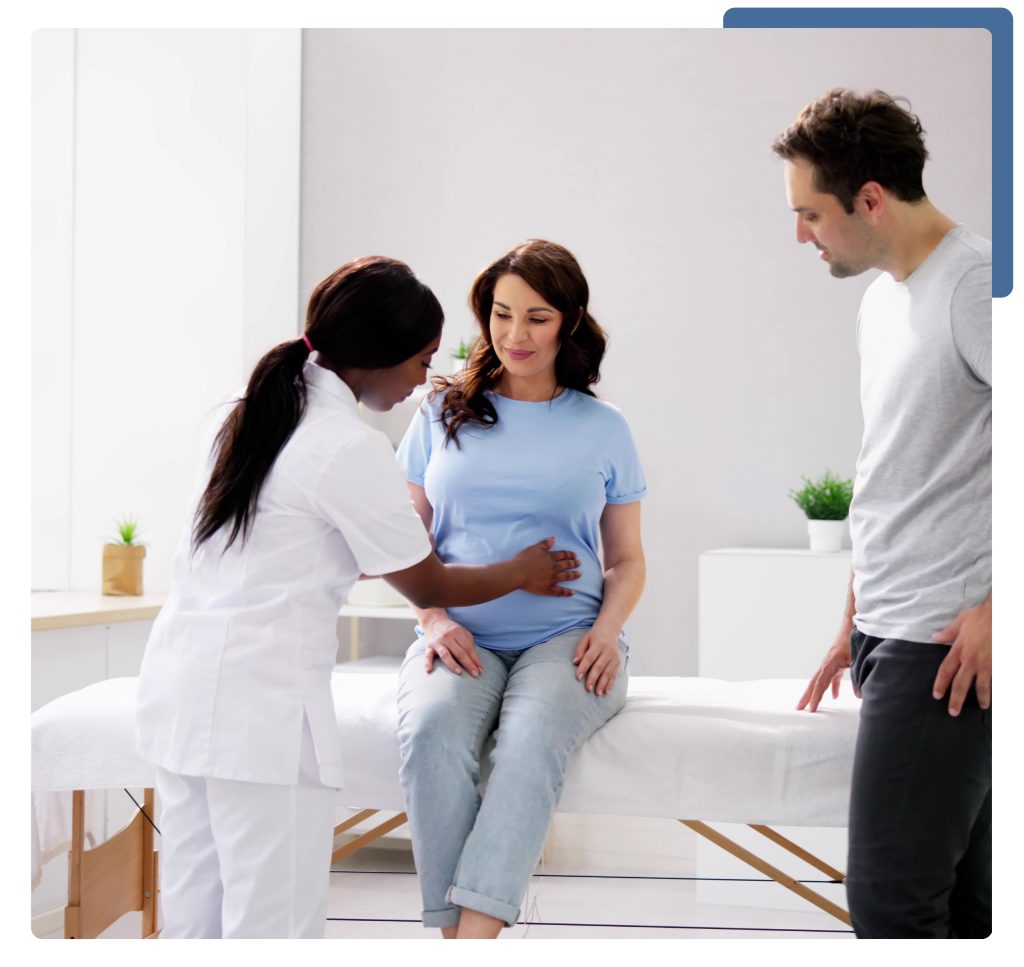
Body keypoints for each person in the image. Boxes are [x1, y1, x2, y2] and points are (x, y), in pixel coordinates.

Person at [134, 255, 583, 939]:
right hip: (260, 714)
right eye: (420, 359)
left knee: (193, 921)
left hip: (181, 693)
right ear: (377, 357)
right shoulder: (346, 447)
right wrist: (520, 571)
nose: (422, 381)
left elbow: (288, 541)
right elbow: (428, 581)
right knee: (272, 928)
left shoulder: (242, 416)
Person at [773, 89, 992, 938]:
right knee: (972, 913)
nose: (801, 235)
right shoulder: (882, 297)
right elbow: (899, 467)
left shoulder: (977, 288)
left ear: (870, 198)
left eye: (810, 213)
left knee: (893, 911)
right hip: (888, 631)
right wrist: (852, 612)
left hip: (945, 650)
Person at [394, 239, 647, 939]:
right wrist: (433, 617)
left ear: (568, 321)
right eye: (501, 314)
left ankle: (470, 942)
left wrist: (605, 631)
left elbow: (627, 559)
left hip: (569, 634)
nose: (514, 335)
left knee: (531, 738)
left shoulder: (604, 426)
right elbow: (405, 540)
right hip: (459, 631)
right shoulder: (438, 411)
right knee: (430, 730)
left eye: (536, 317)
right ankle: (455, 933)